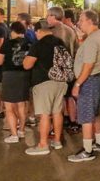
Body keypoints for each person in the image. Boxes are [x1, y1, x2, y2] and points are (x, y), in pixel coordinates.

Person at [22, 20, 72, 155]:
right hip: (61, 82)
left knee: (44, 114)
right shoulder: (60, 42)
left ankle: (43, 144)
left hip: (44, 82)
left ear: (38, 31)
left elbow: (27, 65)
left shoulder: (38, 44)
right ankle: (57, 141)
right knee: (57, 112)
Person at [68, 10, 100, 162]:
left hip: (89, 80)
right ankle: (99, 142)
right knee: (96, 113)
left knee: (85, 115)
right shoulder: (99, 36)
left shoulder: (92, 40)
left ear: (90, 21)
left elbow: (88, 65)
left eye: (81, 19)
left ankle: (87, 150)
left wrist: (78, 83)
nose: (79, 22)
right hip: (98, 78)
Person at [0, 21, 31, 143]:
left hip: (9, 75)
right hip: (25, 75)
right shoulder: (30, 43)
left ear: (13, 31)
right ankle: (21, 130)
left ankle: (14, 135)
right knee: (22, 105)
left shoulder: (7, 43)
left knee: (9, 107)